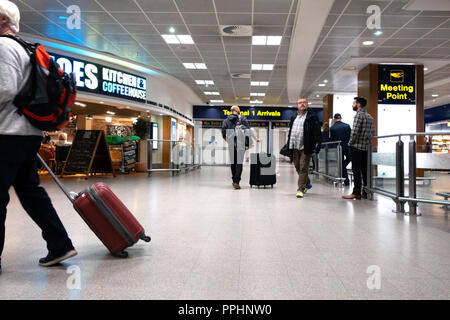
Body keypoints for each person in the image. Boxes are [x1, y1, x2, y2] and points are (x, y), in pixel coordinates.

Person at [0, 1, 77, 273]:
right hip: (28, 133)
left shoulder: (3, 47)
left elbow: (5, 90)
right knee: (31, 192)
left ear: (2, 19)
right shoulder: (26, 47)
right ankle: (60, 244)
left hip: (6, 134)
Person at [286, 98, 322, 198]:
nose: (302, 104)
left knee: (303, 167)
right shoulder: (294, 116)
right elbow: (291, 131)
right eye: (300, 103)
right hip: (294, 146)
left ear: (307, 104)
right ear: (297, 105)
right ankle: (308, 183)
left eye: (304, 102)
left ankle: (300, 189)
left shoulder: (312, 117)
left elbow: (317, 132)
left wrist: (317, 144)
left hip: (306, 146)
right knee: (297, 166)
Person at [343, 97, 375, 200]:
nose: (352, 105)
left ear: (358, 105)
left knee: (356, 170)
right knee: (365, 170)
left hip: (356, 147)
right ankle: (366, 192)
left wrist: (350, 143)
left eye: (354, 103)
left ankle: (356, 193)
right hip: (366, 147)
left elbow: (355, 132)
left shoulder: (358, 115)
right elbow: (372, 133)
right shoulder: (370, 117)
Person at [222, 105, 260, 189]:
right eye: (238, 108)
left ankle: (233, 180)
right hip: (241, 144)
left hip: (231, 144)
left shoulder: (225, 120)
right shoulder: (242, 118)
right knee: (239, 163)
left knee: (233, 163)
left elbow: (223, 134)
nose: (239, 109)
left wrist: (229, 141)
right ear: (236, 110)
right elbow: (248, 130)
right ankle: (237, 181)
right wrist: (255, 138)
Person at [330, 113, 352, 186]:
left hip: (339, 148)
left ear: (334, 119)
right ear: (341, 118)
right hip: (347, 146)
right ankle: (343, 168)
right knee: (350, 158)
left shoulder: (332, 128)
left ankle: (346, 181)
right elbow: (350, 136)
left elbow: (332, 139)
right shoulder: (347, 126)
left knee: (342, 164)